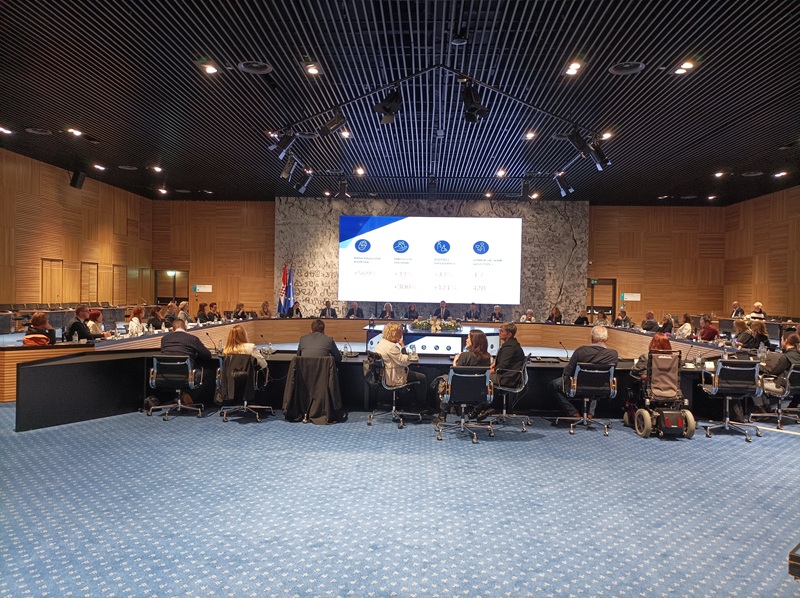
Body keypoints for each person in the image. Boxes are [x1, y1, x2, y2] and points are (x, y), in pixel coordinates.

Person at [550, 325, 619, 418]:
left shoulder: (581, 351)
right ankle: (590, 414)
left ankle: (573, 412)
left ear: (592, 337)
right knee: (597, 381)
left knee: (553, 385)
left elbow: (568, 372)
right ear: (607, 339)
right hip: (601, 386)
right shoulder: (613, 354)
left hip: (578, 386)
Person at [432, 330, 491, 423]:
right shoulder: (487, 358)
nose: (466, 340)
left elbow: (455, 375)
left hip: (459, 392)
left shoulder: (464, 356)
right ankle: (475, 411)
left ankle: (442, 416)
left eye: (468, 338)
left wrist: (455, 361)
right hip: (478, 393)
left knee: (445, 381)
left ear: (474, 341)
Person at [478, 322, 528, 420]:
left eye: (502, 331)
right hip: (510, 375)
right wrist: (490, 368)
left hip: (508, 378)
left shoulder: (510, 347)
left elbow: (501, 367)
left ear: (509, 334)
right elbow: (500, 362)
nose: (499, 333)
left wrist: (486, 373)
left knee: (480, 378)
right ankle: (482, 408)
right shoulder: (511, 344)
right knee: (483, 376)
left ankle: (481, 408)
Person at [374, 322, 427, 406]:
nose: (401, 335)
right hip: (393, 376)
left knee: (414, 373)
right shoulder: (391, 346)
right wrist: (405, 348)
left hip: (387, 374)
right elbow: (403, 362)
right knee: (422, 377)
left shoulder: (382, 343)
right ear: (393, 333)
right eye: (399, 332)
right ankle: (421, 405)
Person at [755, 332, 800, 412]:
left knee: (755, 382)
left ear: (786, 340)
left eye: (782, 340)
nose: (781, 342)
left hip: (784, 386)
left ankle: (761, 408)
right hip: (797, 387)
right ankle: (766, 407)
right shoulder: (797, 354)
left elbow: (772, 372)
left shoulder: (785, 357)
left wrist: (759, 366)